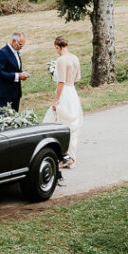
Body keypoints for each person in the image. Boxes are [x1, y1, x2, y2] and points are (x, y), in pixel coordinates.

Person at [43, 35, 83, 167]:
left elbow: (60, 82)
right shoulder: (75, 58)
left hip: (64, 93)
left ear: (57, 47)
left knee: (55, 122)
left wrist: (56, 101)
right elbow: (77, 78)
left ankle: (62, 156)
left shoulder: (61, 60)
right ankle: (71, 156)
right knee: (72, 126)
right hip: (72, 92)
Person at [0, 31, 29, 111]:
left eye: (23, 44)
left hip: (15, 92)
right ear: (13, 41)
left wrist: (22, 73)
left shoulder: (16, 52)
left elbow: (14, 68)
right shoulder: (3, 53)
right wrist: (17, 76)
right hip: (5, 92)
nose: (22, 47)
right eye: (20, 44)